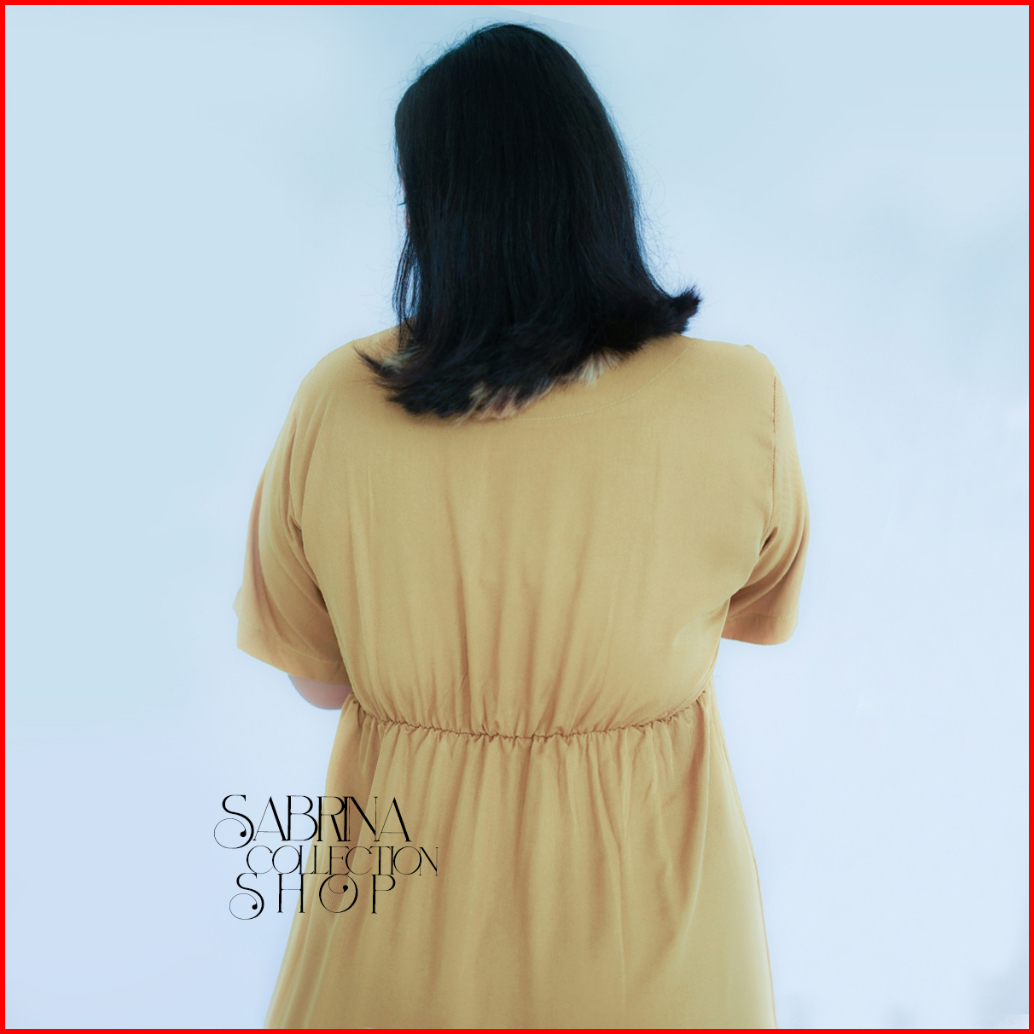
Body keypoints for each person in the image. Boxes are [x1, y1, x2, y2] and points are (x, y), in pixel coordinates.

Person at [234, 22, 808, 1029]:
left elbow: (318, 677)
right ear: (597, 188)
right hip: (653, 948)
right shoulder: (738, 400)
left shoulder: (339, 404)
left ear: (435, 214)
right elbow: (748, 606)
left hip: (395, 938)